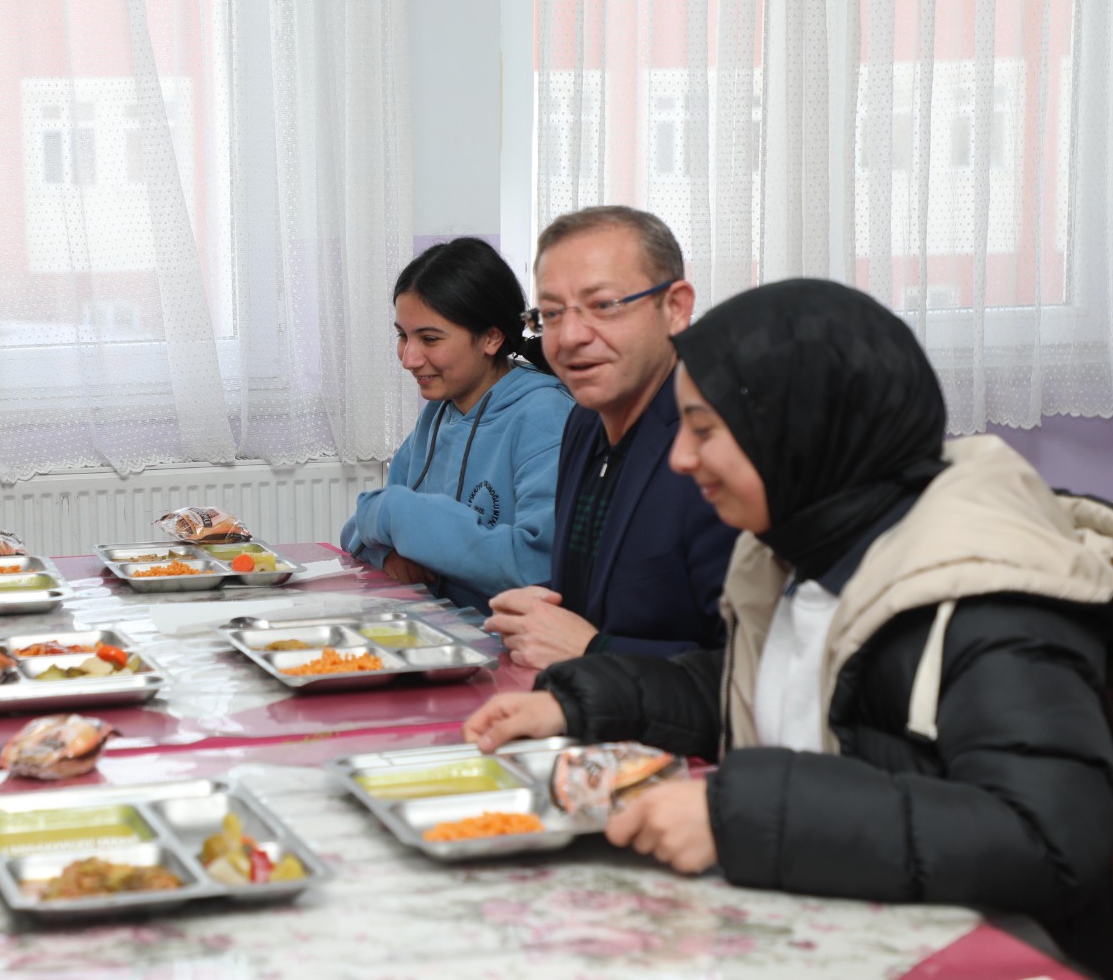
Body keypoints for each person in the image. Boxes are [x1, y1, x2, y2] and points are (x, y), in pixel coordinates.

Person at [463, 279, 1113, 977]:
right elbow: (763, 688)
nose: (681, 459)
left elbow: (1048, 839)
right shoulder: (804, 550)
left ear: (803, 429)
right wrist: (579, 700)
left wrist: (733, 816)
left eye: (705, 430)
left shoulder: (990, 596)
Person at [485, 207, 736, 668]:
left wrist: (592, 651)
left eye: (603, 305)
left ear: (676, 307)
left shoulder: (718, 442)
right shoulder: (583, 420)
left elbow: (750, 671)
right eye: (553, 314)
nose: (570, 337)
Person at [340, 238, 575, 614]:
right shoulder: (440, 411)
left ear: (492, 337)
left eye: (430, 339)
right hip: (433, 629)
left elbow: (537, 566)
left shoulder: (545, 415)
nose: (409, 359)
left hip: (506, 645)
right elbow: (359, 528)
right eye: (403, 336)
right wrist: (390, 555)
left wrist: (398, 516)